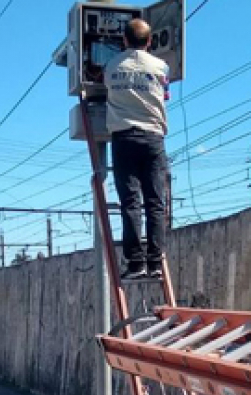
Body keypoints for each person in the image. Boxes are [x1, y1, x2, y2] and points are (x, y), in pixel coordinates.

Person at [105, 18, 171, 280]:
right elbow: (165, 93)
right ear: (150, 41)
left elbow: (101, 84)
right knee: (155, 202)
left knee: (130, 202)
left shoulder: (112, 66)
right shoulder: (161, 67)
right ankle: (155, 263)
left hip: (124, 138)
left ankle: (135, 264)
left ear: (124, 41)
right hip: (153, 138)